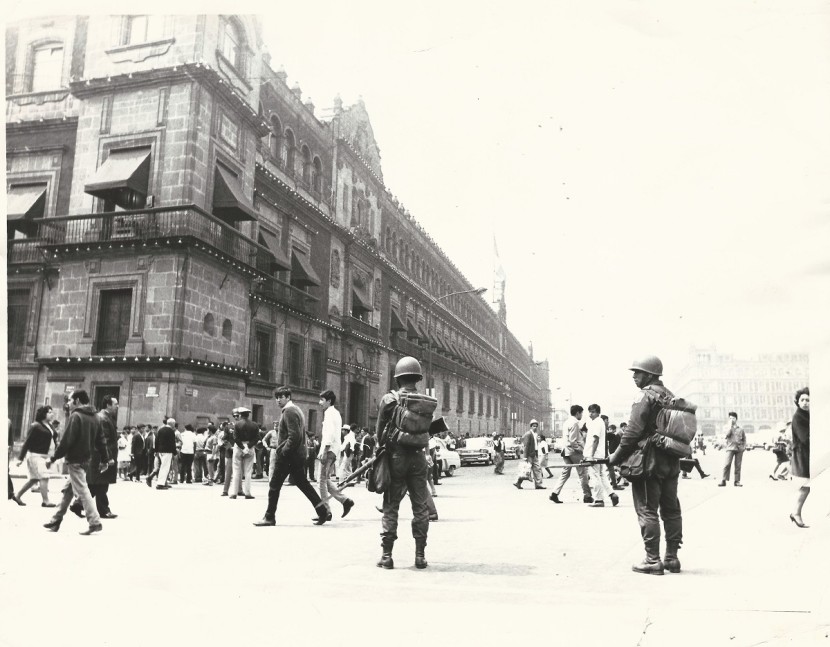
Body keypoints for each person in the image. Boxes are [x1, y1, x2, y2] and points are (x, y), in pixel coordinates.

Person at [608, 355, 683, 575]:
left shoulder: (645, 396)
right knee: (671, 510)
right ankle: (672, 558)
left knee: (647, 510)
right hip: (671, 459)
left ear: (649, 374)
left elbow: (632, 432)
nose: (634, 376)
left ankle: (652, 560)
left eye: (638, 372)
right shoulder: (671, 396)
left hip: (650, 462)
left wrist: (616, 457)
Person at [375, 357, 433, 570]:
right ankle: (420, 556)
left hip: (396, 458)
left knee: (390, 506)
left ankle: (387, 556)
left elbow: (379, 433)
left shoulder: (389, 400)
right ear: (417, 378)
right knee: (420, 507)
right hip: (418, 458)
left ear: (398, 378)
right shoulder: (424, 401)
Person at [254, 387, 328, 527]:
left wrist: (282, 451)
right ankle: (322, 511)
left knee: (274, 485)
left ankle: (269, 517)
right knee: (303, 484)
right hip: (297, 455)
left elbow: (294, 436)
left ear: (288, 397)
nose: (277, 400)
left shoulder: (289, 411)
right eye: (276, 397)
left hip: (288, 457)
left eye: (281, 397)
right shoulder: (296, 409)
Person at [43, 390, 107, 535]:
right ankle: (55, 520)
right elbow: (101, 441)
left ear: (77, 400)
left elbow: (66, 441)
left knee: (83, 492)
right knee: (68, 491)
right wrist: (105, 459)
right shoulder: (96, 417)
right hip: (85, 460)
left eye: (70, 400)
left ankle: (95, 521)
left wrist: (53, 458)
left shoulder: (76, 416)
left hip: (75, 460)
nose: (68, 403)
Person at [316, 390, 354, 521]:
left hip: (329, 449)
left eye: (322, 400)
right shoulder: (336, 413)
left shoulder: (329, 413)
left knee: (320, 480)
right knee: (325, 479)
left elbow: (330, 433)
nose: (320, 402)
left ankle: (325, 511)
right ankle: (345, 501)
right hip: (334, 449)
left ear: (329, 401)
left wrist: (324, 450)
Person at [549, 405, 593, 504]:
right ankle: (587, 496)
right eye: (581, 413)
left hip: (566, 451)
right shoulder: (575, 423)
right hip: (574, 452)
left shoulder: (566, 422)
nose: (582, 415)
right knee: (583, 473)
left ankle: (554, 493)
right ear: (577, 413)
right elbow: (573, 441)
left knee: (565, 473)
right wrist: (582, 451)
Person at [15, 405, 57, 507]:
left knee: (34, 479)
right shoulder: (36, 426)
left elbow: (53, 439)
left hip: (45, 456)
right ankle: (46, 501)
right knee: (44, 477)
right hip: (35, 456)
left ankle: (17, 495)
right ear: (43, 414)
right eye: (49, 412)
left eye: (52, 412)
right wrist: (20, 458)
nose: (52, 414)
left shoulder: (50, 426)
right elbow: (27, 442)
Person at [88, 396, 118, 519]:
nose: (117, 406)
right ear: (108, 405)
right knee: (101, 484)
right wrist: (107, 458)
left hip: (101, 457)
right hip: (102, 457)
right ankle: (104, 510)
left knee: (96, 484)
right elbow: (103, 440)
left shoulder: (103, 417)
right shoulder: (103, 418)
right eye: (115, 404)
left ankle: (78, 504)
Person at [584, 404, 618, 507]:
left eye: (593, 412)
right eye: (589, 411)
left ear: (598, 413)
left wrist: (591, 455)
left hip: (595, 455)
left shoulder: (597, 423)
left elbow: (596, 440)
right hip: (598, 455)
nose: (591, 414)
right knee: (602, 475)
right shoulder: (597, 422)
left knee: (595, 476)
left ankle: (599, 499)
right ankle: (612, 494)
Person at [789, 387, 810, 528]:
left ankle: (795, 513)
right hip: (803, 456)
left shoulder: (807, 415)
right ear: (797, 402)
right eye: (802, 400)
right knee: (805, 487)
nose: (805, 402)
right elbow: (805, 438)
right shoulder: (798, 416)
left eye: (808, 400)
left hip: (808, 455)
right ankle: (795, 513)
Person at [231, 407, 258, 499]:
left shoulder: (237, 424)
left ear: (240, 415)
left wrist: (242, 447)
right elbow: (257, 438)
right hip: (250, 447)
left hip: (238, 447)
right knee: (248, 471)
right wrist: (248, 446)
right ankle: (247, 493)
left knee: (236, 471)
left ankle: (234, 493)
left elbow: (235, 438)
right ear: (248, 414)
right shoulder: (254, 425)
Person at [514, 420, 545, 489]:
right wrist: (525, 457)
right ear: (531, 426)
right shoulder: (528, 434)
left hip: (534, 454)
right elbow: (526, 445)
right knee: (526, 470)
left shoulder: (536, 434)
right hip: (529, 455)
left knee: (537, 469)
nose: (535, 427)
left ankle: (538, 484)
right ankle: (517, 482)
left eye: (536, 426)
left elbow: (536, 445)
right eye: (534, 426)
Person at [718, 412, 746, 487]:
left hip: (739, 448)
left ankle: (737, 481)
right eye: (730, 418)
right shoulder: (726, 427)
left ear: (736, 419)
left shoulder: (740, 429)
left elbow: (744, 439)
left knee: (738, 465)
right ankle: (723, 480)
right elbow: (726, 435)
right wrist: (730, 427)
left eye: (733, 418)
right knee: (727, 464)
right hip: (730, 447)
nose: (732, 419)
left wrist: (743, 447)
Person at [150, 418, 176, 490]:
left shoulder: (160, 430)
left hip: (160, 451)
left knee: (162, 467)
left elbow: (157, 441)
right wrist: (174, 452)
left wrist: (156, 451)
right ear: (172, 424)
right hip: (167, 451)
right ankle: (160, 484)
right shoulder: (171, 431)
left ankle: (162, 482)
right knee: (165, 468)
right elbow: (172, 442)